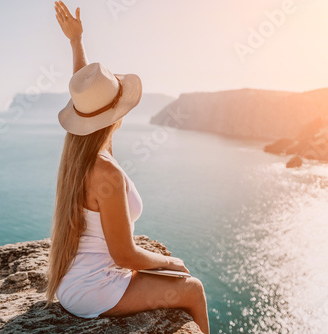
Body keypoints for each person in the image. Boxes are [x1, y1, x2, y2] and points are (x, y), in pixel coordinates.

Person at [45, 2, 210, 333]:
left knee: (177, 279)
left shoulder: (81, 153)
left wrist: (76, 42)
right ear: (116, 114)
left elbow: (87, 97)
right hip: (93, 290)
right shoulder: (107, 172)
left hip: (72, 283)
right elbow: (123, 255)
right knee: (193, 289)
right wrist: (169, 262)